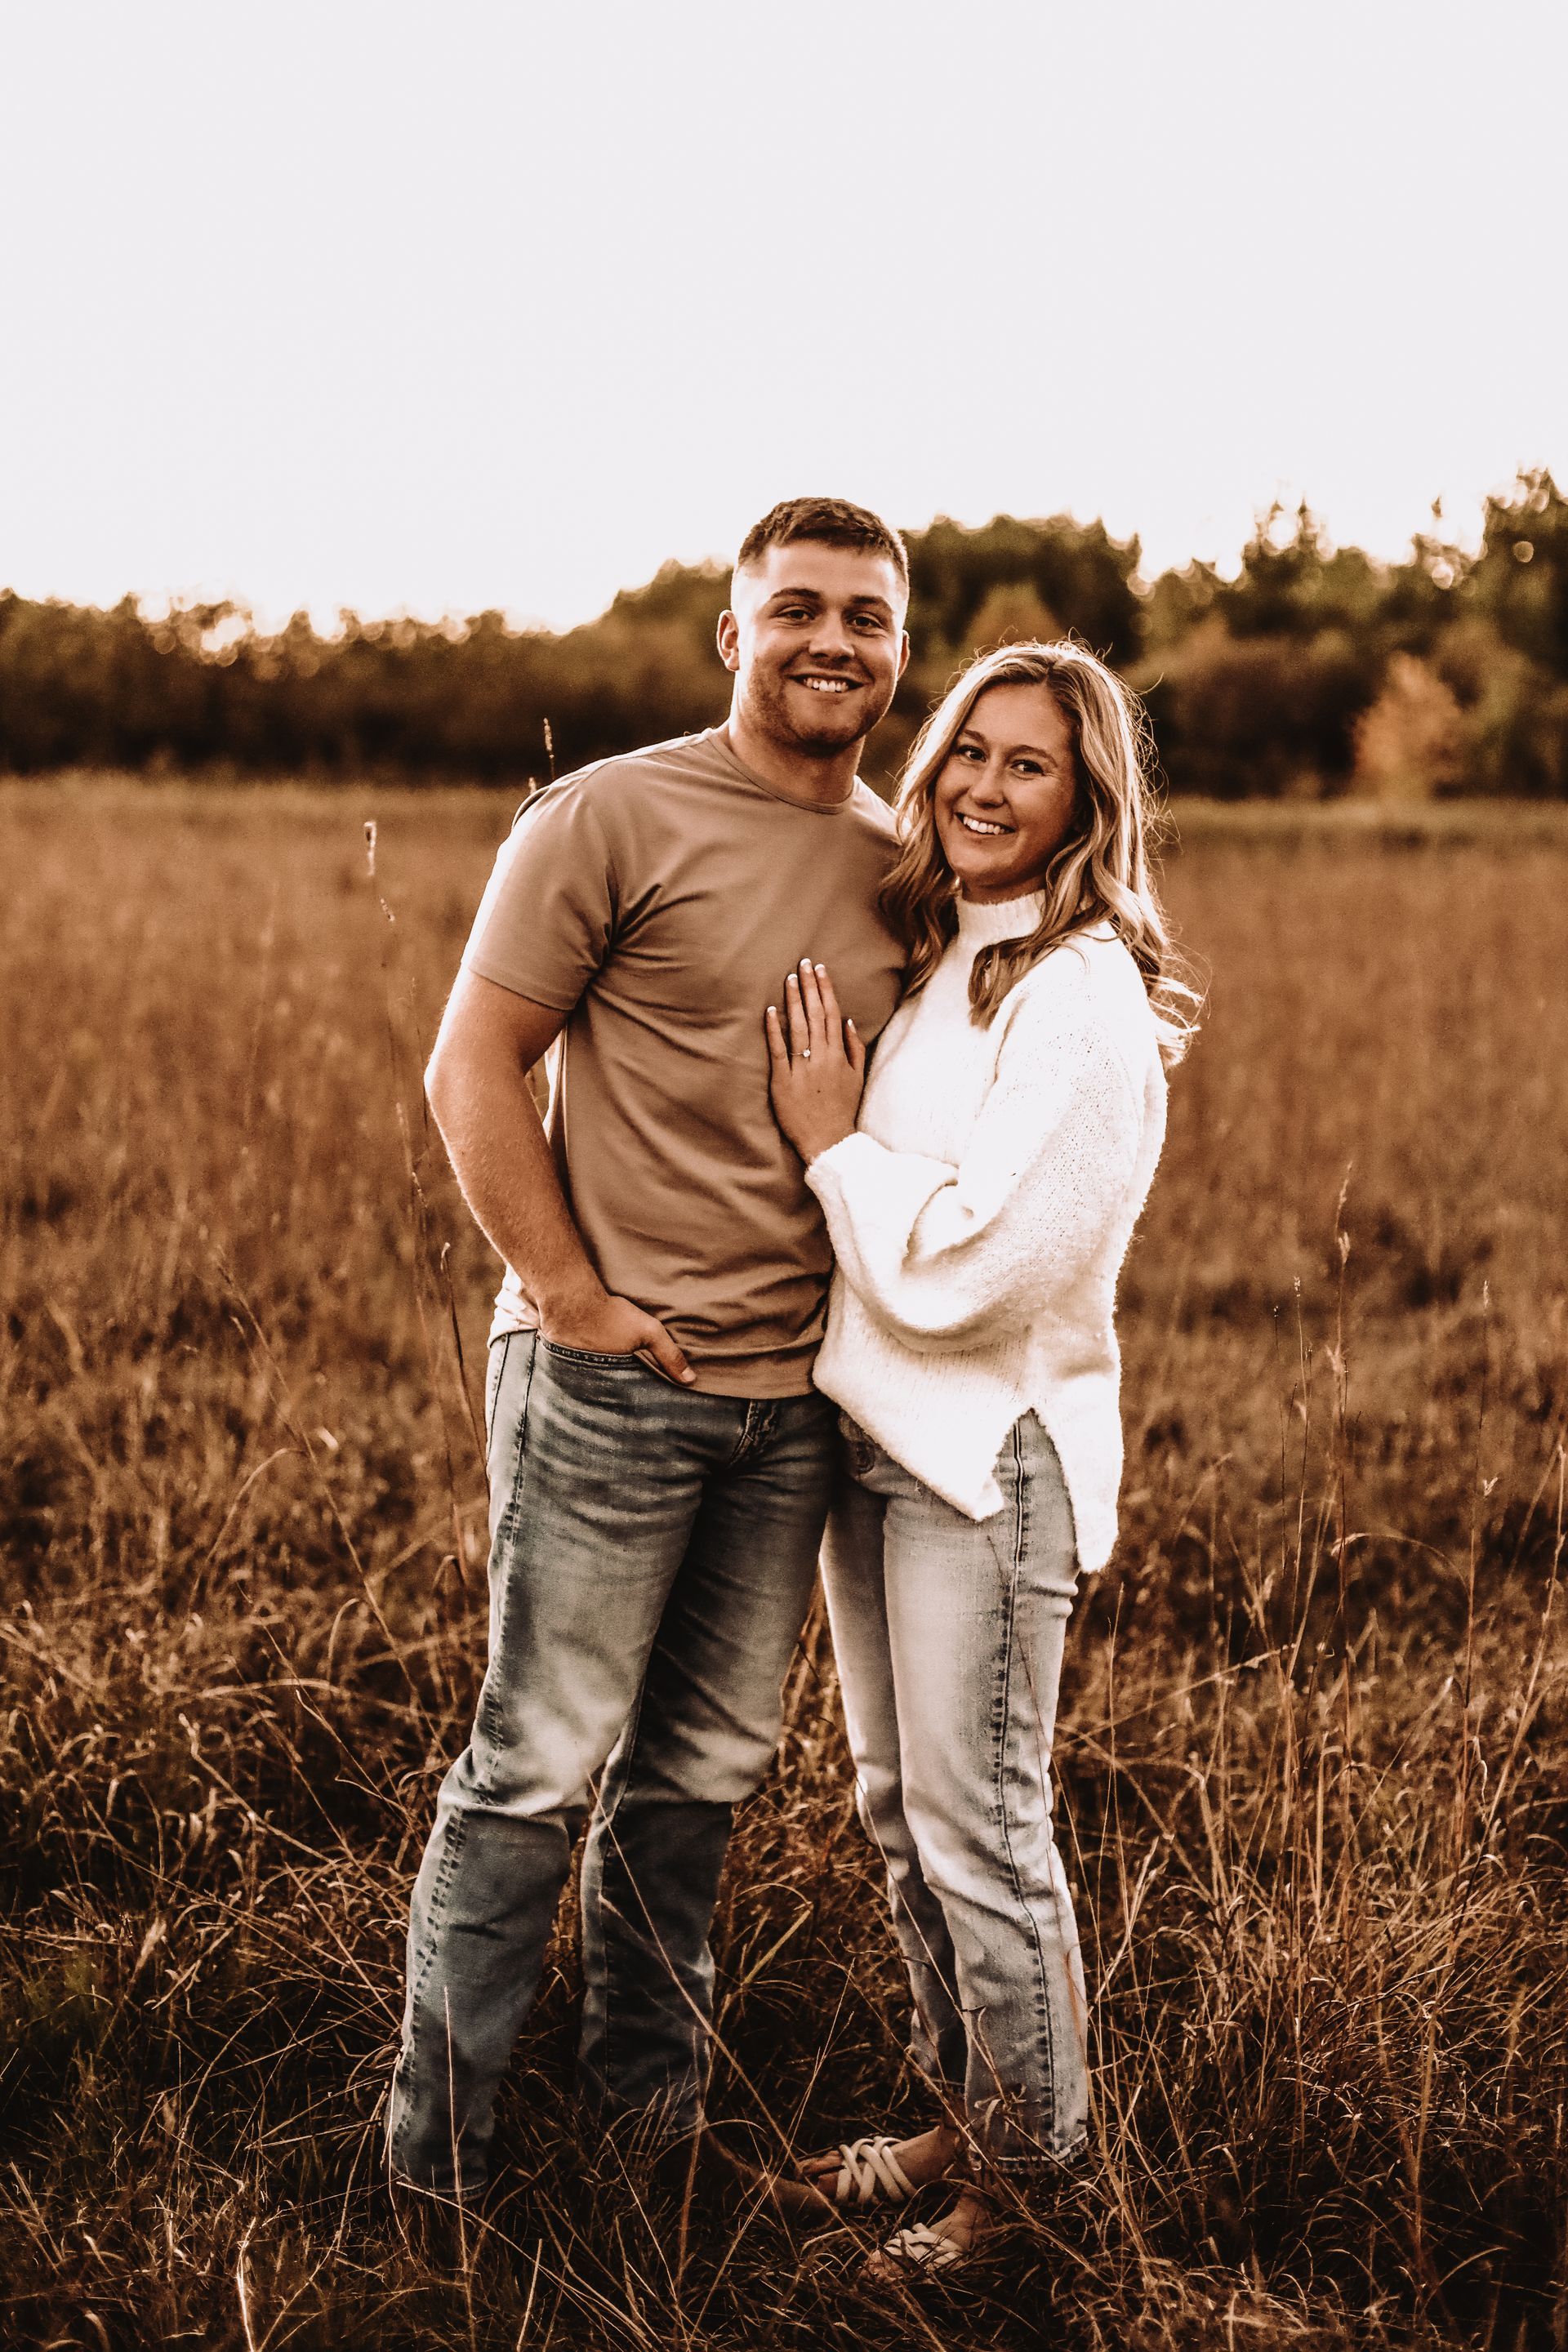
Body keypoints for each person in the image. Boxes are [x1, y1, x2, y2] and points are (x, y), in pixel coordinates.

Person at [386, 497, 911, 2200]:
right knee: (534, 1771)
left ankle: (650, 2147)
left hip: (793, 1411)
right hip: (610, 1385)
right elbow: (472, 1066)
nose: (833, 640)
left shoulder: (904, 859)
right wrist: (567, 1295)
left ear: (900, 651)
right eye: (800, 608)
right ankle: (436, 2180)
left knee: (695, 1786)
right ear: (735, 635)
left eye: (867, 616)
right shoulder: (609, 813)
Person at [764, 639, 1192, 2277]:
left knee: (983, 1833)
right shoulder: (956, 951)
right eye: (969, 752)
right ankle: (968, 2117)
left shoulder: (1079, 993)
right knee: (902, 1815)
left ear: (1088, 801)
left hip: (988, 1462)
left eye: (1031, 765)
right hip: (881, 1442)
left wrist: (831, 1149)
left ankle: (1030, 2203)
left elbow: (973, 1269)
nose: (985, 789)